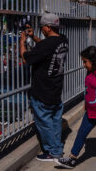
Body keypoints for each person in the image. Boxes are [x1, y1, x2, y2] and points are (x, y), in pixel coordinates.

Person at [20, 12, 69, 161]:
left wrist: (22, 42)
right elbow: (46, 47)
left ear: (47, 28)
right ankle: (57, 148)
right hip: (55, 89)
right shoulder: (63, 40)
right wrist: (34, 37)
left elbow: (26, 59)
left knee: (44, 124)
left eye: (42, 27)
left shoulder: (47, 44)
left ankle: (53, 152)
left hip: (42, 91)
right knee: (55, 121)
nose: (41, 30)